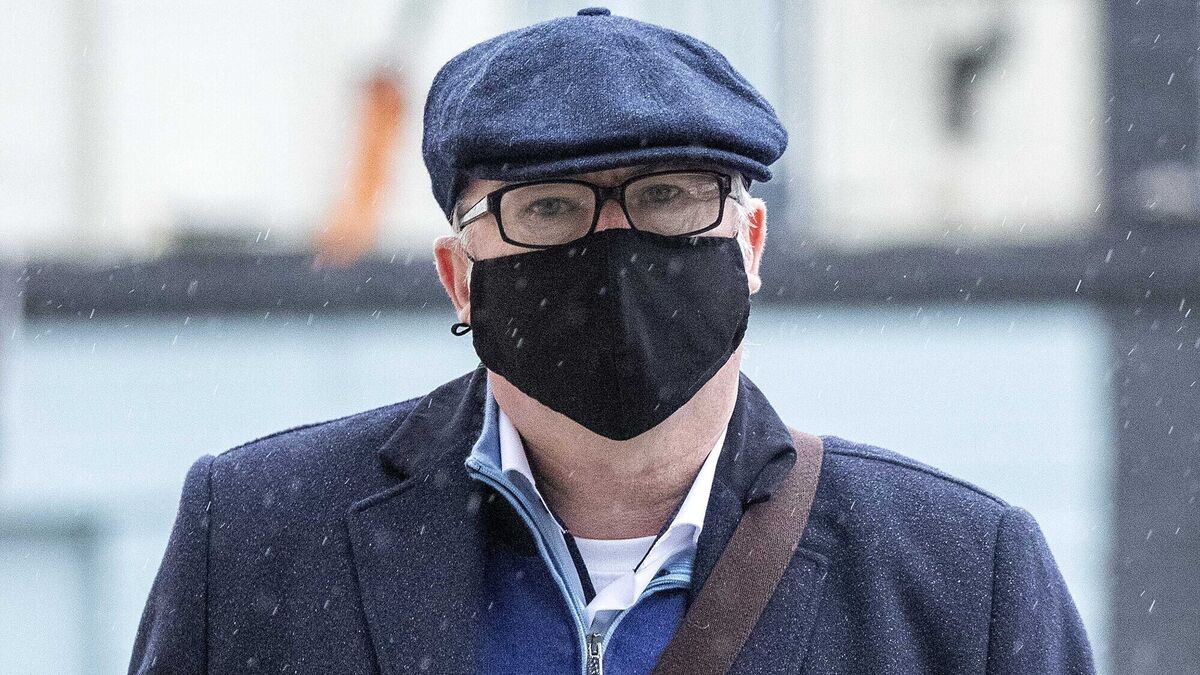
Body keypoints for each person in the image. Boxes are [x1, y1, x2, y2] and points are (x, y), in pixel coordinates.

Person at [129, 8, 1096, 674]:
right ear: (460, 276)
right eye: (548, 208)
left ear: (750, 245)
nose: (615, 251)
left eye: (668, 197)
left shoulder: (958, 576)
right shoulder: (256, 540)